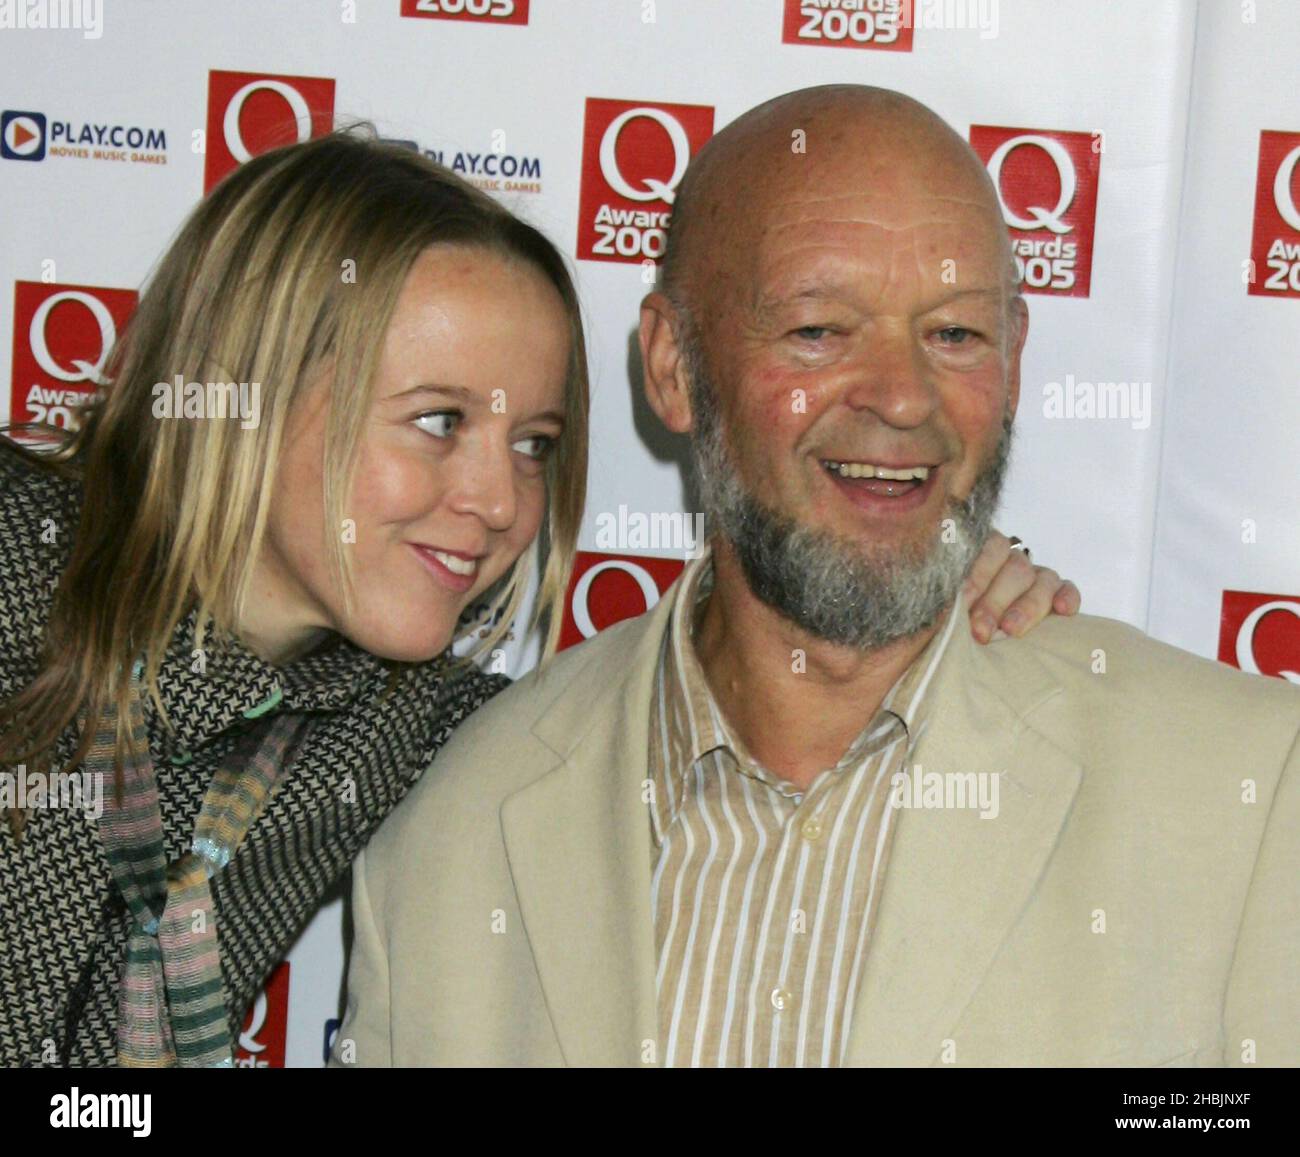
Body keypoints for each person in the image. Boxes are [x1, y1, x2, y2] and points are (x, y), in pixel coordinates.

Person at [0, 126, 1069, 1067]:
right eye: (436, 420)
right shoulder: (16, 563)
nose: (496, 500)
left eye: (533, 445)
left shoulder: (402, 726)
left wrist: (909, 554)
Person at [334, 86, 1300, 1068]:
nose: (900, 397)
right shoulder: (445, 825)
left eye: (955, 334)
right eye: (817, 330)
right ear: (672, 365)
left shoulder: (1247, 793)